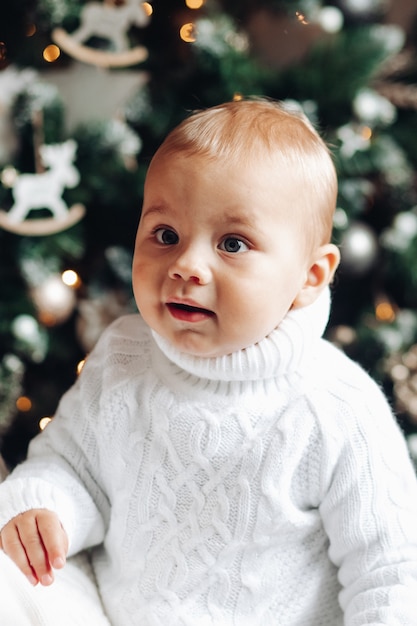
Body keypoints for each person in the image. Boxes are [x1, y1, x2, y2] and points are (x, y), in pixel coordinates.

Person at [0, 97, 416, 626]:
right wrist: (44, 509)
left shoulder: (337, 407)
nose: (186, 266)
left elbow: (391, 570)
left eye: (233, 243)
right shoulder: (125, 354)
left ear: (310, 277)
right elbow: (73, 467)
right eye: (166, 235)